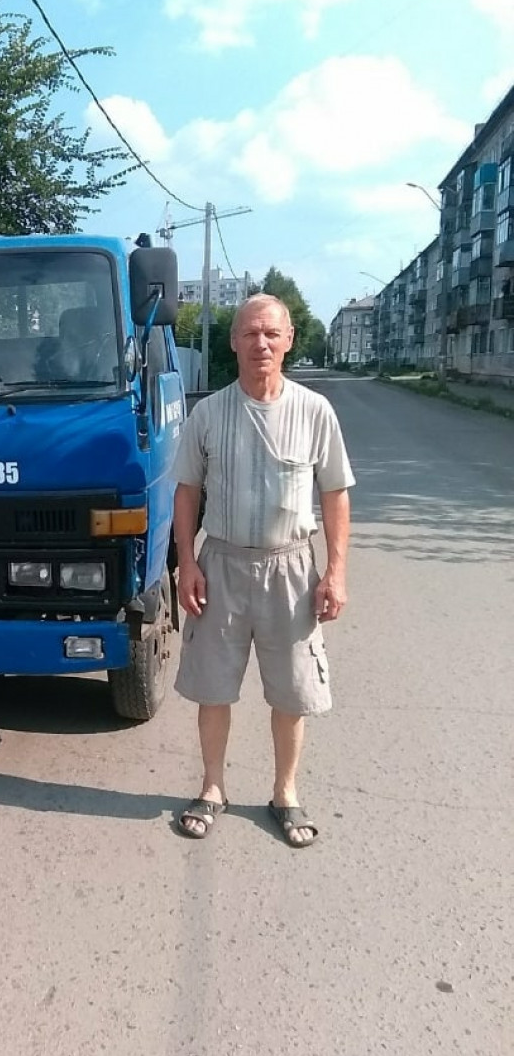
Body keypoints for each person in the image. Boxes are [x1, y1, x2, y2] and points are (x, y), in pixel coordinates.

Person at [172, 294, 354, 847]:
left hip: (292, 570)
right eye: (250, 333)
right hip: (222, 564)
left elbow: (335, 493)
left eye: (271, 333)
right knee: (213, 689)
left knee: (292, 694)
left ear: (289, 339)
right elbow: (187, 491)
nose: (261, 344)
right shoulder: (208, 413)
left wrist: (336, 571)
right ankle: (211, 788)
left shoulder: (314, 411)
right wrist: (186, 562)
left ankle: (285, 794)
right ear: (233, 342)